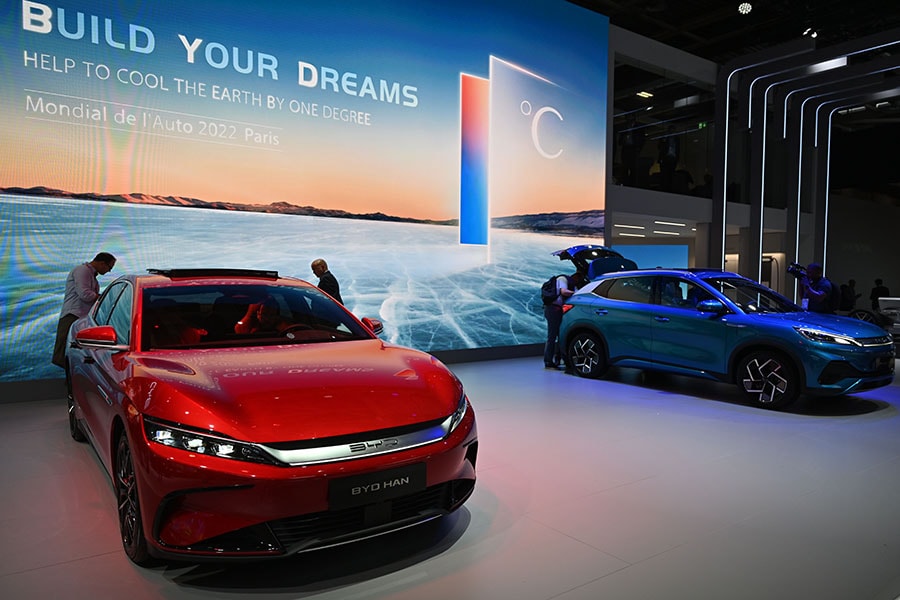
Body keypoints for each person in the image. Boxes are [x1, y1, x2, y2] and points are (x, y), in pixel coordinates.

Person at [52, 252, 117, 367]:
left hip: (80, 317)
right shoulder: (83, 271)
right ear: (102, 263)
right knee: (63, 352)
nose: (109, 271)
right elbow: (85, 294)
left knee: (74, 353)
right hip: (73, 315)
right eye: (109, 267)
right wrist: (102, 297)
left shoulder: (89, 274)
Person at [543, 271, 579, 369]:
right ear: (576, 277)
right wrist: (576, 293)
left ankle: (558, 360)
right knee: (552, 336)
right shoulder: (562, 279)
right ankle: (548, 361)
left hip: (557, 309)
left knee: (560, 335)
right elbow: (563, 291)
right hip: (553, 309)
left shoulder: (571, 283)